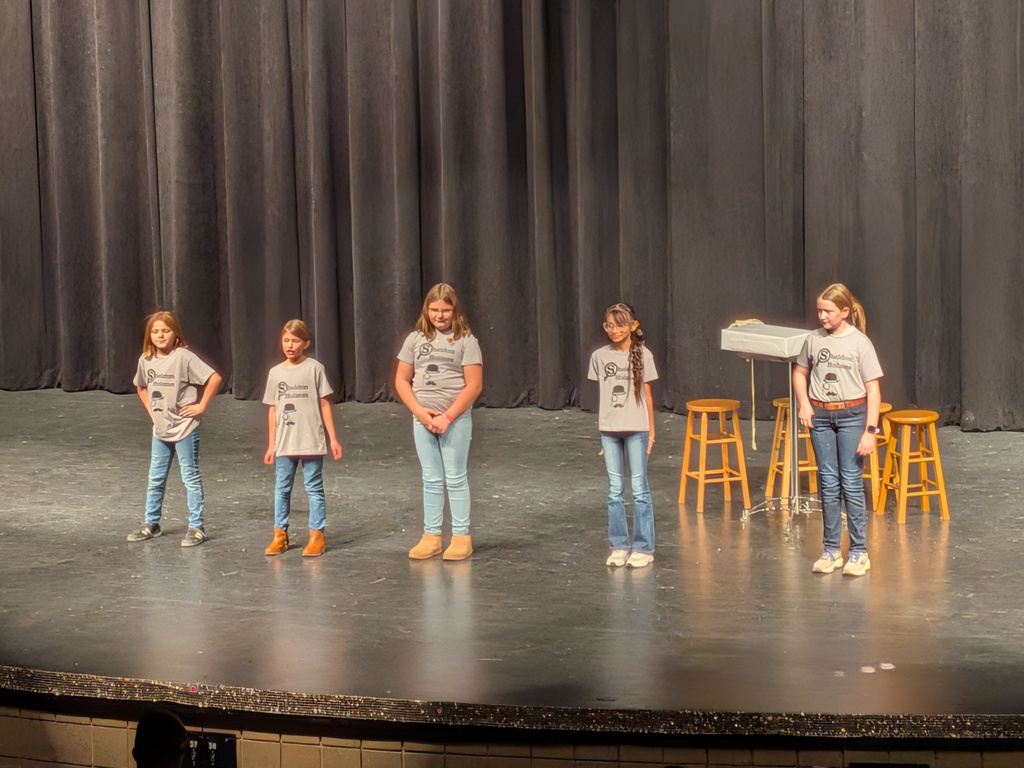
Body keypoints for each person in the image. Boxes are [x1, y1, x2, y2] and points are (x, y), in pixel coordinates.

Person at [793, 283, 884, 577]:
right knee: (828, 482)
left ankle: (858, 552)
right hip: (820, 416)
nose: (822, 316)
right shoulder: (813, 340)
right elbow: (800, 372)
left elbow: (873, 390)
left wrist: (870, 429)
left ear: (844, 312)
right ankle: (831, 550)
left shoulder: (860, 343)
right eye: (819, 310)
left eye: (828, 311)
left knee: (851, 481)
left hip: (852, 416)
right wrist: (804, 404)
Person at [395, 283, 483, 561]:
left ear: (454, 310)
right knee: (431, 478)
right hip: (423, 420)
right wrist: (420, 413)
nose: (440, 315)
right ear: (426, 310)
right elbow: (401, 380)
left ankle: (460, 536)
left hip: (453, 421)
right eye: (434, 310)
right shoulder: (415, 339)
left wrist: (447, 417)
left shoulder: (466, 340)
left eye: (445, 310)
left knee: (455, 478)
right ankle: (431, 536)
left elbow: (474, 386)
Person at [128, 311, 223, 547]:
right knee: (155, 478)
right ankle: (152, 523)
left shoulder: (183, 357)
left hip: (184, 428)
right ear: (150, 335)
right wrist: (153, 413)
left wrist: (200, 406)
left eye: (166, 330)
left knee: (189, 476)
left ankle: (196, 527)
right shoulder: (146, 359)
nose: (161, 335)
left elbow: (214, 378)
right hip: (160, 431)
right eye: (156, 331)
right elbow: (141, 387)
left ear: (175, 334)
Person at [262, 319, 343, 557]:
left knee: (313, 488)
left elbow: (324, 403)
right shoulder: (275, 373)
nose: (290, 345)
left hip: (310, 439)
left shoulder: (314, 368)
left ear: (305, 343)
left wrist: (333, 438)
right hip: (285, 442)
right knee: (281, 489)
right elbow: (273, 409)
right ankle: (280, 535)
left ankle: (316, 535)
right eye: (286, 340)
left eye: (295, 340)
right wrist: (271, 444)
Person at [588, 302, 658, 568]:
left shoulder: (644, 355)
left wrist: (651, 432)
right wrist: (605, 433)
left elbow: (648, 395)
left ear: (633, 326)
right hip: (610, 431)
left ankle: (643, 547)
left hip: (637, 430)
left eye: (620, 324)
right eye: (609, 325)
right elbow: (603, 397)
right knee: (615, 490)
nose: (614, 330)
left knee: (639, 489)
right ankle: (618, 545)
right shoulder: (599, 356)